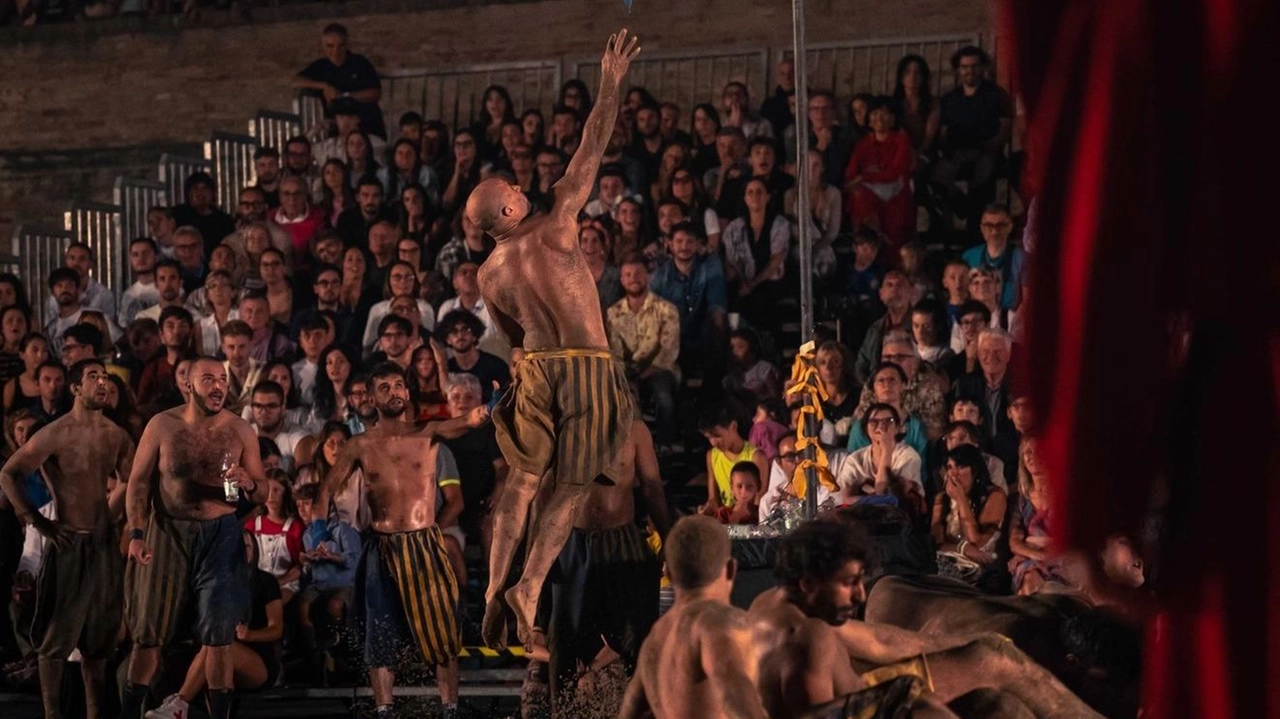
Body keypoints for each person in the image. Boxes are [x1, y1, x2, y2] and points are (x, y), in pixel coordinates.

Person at [466, 29, 641, 651]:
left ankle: (492, 587)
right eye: (510, 191)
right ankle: (528, 587)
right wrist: (611, 82)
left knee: (520, 480)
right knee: (569, 486)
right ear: (505, 214)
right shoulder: (561, 218)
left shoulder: (488, 273)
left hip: (535, 366)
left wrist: (525, 359)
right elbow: (593, 142)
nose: (519, 188)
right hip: (586, 365)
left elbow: (510, 339)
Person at [750, 520, 1103, 719]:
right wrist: (914, 701)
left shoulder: (784, 603)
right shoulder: (805, 638)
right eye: (848, 584)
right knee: (999, 662)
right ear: (809, 582)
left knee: (999, 698)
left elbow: (878, 641)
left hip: (870, 697)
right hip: (870, 706)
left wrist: (962, 648)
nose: (860, 596)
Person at [313, 363, 484, 719]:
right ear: (372, 398)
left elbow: (470, 420)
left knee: (442, 630)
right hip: (382, 544)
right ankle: (384, 709)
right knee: (380, 633)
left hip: (425, 541)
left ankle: (449, 708)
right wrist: (318, 531)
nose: (394, 392)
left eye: (398, 385)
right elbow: (327, 487)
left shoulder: (429, 432)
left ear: (407, 393)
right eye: (385, 387)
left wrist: (495, 407)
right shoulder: (359, 444)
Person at [119, 356, 268, 719]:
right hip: (168, 531)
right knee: (148, 633)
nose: (218, 386)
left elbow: (262, 490)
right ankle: (128, 713)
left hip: (221, 536)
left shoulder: (240, 429)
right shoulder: (161, 425)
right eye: (208, 379)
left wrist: (250, 484)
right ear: (188, 384)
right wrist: (137, 533)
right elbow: (138, 483)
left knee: (219, 635)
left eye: (222, 379)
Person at [0, 359, 134, 719]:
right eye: (94, 377)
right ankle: (53, 714)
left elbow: (130, 481)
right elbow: (9, 474)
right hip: (68, 541)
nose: (103, 382)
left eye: (106, 377)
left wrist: (112, 515)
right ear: (75, 388)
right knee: (56, 639)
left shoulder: (116, 435)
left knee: (100, 642)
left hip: (103, 543)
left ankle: (93, 714)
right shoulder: (55, 432)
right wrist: (37, 522)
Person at [547, 419, 670, 711]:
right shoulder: (563, 426)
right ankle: (563, 713)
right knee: (564, 637)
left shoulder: (634, 430)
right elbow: (543, 489)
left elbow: (652, 486)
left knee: (637, 635)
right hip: (572, 542)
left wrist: (669, 538)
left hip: (622, 541)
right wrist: (538, 550)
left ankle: (642, 712)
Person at [617, 515, 767, 719]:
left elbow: (628, 713)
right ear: (731, 569)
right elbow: (737, 700)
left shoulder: (655, 638)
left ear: (668, 572)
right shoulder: (717, 623)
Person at [146, 530, 285, 719]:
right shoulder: (218, 581)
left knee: (219, 647)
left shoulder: (265, 581)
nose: (241, 553)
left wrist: (250, 634)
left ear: (254, 551)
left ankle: (180, 704)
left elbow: (276, 628)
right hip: (218, 652)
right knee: (212, 647)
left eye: (246, 548)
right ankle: (183, 705)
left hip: (258, 661)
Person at [933, 47, 1013, 235]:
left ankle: (974, 232)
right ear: (958, 69)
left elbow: (1005, 127)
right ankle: (965, 209)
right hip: (957, 152)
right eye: (964, 66)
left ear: (982, 68)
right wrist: (949, 151)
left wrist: (991, 146)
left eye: (974, 66)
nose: (969, 71)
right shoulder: (950, 99)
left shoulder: (996, 94)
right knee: (937, 179)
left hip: (987, 151)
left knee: (982, 183)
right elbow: (943, 133)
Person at [607, 254, 681, 450]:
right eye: (628, 274)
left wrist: (640, 376)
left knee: (662, 396)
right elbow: (614, 352)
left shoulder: (666, 309)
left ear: (647, 276)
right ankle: (623, 449)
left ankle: (665, 446)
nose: (633, 278)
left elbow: (668, 352)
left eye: (638, 273)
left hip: (659, 370)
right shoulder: (612, 314)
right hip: (626, 372)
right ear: (622, 280)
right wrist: (625, 377)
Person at [648, 221, 729, 381]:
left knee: (715, 327)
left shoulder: (710, 266)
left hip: (701, 330)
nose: (684, 246)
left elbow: (717, 304)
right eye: (679, 242)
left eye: (689, 241)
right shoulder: (659, 278)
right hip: (673, 335)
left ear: (697, 245)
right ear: (670, 244)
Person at [931, 444, 1008, 587]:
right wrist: (963, 548)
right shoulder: (941, 498)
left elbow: (977, 540)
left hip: (984, 567)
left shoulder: (995, 495)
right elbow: (936, 543)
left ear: (975, 470)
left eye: (959, 467)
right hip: (948, 560)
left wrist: (961, 499)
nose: (953, 474)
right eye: (949, 467)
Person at [845, 96, 915, 250]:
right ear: (869, 120)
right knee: (859, 197)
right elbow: (851, 174)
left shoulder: (901, 140)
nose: (879, 118)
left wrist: (864, 177)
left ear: (893, 119)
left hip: (896, 191)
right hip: (869, 193)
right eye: (875, 114)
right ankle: (865, 246)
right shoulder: (862, 144)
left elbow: (895, 172)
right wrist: (858, 181)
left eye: (884, 114)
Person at [294, 23, 386, 139]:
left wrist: (345, 96)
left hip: (368, 127)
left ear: (347, 44)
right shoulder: (320, 67)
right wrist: (324, 86)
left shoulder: (359, 62)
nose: (335, 51)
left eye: (340, 46)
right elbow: (296, 81)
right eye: (330, 46)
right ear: (323, 46)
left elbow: (375, 93)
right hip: (338, 132)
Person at [698, 404, 769, 515]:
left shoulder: (756, 457)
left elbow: (759, 501)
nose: (713, 442)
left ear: (733, 426)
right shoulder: (712, 455)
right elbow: (713, 498)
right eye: (708, 437)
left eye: (717, 435)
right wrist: (708, 508)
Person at [962, 203, 1026, 311]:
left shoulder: (1022, 258)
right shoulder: (969, 257)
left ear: (1010, 227)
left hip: (1012, 319)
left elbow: (1028, 300)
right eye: (989, 225)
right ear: (982, 228)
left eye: (1000, 225)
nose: (995, 231)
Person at [854, 270, 913, 385]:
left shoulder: (921, 325)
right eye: (889, 285)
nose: (894, 289)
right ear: (881, 294)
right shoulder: (875, 329)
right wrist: (873, 388)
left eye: (900, 285)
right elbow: (861, 366)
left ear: (910, 292)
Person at [439, 309, 509, 403]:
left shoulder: (496, 366)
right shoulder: (448, 368)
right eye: (454, 331)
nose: (460, 335)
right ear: (447, 339)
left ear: (474, 336)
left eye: (465, 330)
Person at [714, 461, 761, 525]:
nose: (744, 491)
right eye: (739, 486)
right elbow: (720, 534)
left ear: (758, 487)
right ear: (732, 488)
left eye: (749, 486)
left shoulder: (762, 513)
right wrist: (735, 517)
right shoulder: (723, 513)